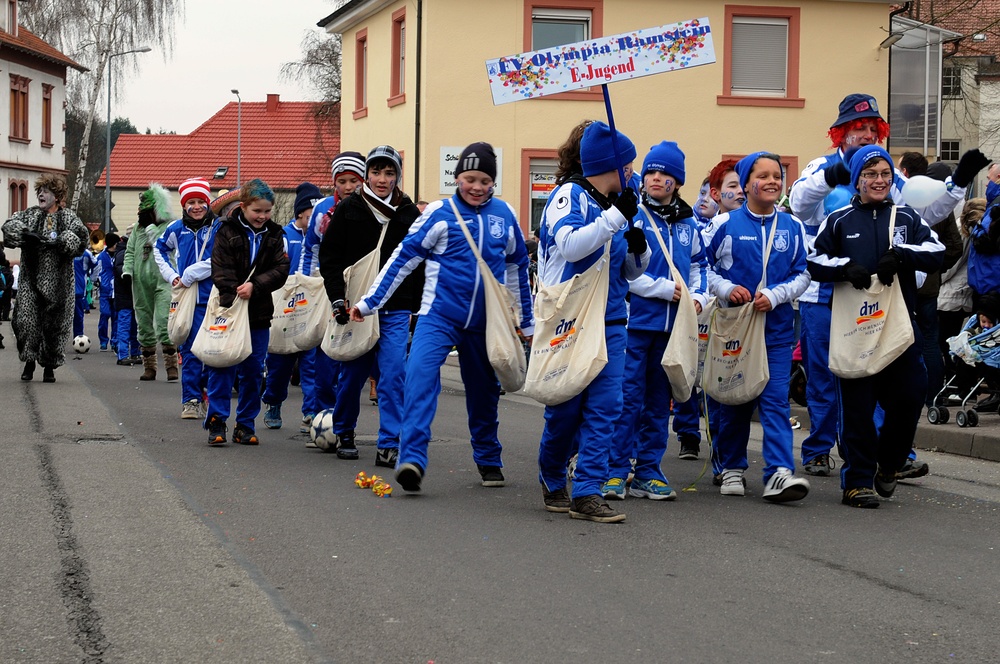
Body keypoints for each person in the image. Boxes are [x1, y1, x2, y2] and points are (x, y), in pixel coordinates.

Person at [789, 93, 985, 478]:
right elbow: (798, 204)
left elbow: (923, 215)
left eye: (870, 128)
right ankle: (818, 449)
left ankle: (883, 453)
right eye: (856, 128)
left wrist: (958, 184)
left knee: (876, 371)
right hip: (826, 291)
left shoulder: (886, 174)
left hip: (875, 293)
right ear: (841, 133)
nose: (864, 134)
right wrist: (835, 174)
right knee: (827, 376)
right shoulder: (821, 166)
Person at [349, 142, 534, 492]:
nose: (476, 187)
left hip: (485, 322)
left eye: (484, 180)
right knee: (417, 377)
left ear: (493, 181)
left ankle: (488, 457)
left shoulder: (504, 215)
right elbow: (403, 259)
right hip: (438, 316)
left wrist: (525, 323)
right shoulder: (439, 212)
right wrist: (369, 302)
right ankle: (412, 460)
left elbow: (517, 271)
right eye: (469, 179)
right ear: (457, 178)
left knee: (483, 393)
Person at [807, 145, 945, 508]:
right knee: (858, 409)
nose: (879, 180)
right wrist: (843, 268)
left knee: (911, 396)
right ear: (857, 180)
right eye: (870, 174)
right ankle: (857, 481)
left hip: (898, 328)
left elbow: (938, 253)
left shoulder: (907, 217)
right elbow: (814, 260)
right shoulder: (838, 219)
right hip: (855, 329)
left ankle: (890, 464)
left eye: (885, 173)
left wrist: (902, 255)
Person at [535, 121, 650, 523]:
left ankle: (587, 490)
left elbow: (630, 274)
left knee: (607, 408)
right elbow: (570, 246)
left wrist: (639, 252)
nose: (633, 173)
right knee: (566, 411)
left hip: (611, 319)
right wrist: (616, 218)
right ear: (610, 165)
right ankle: (551, 474)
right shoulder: (570, 196)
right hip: (569, 319)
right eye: (629, 166)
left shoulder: (619, 204)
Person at [602, 140, 708, 502]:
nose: (656, 178)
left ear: (677, 181)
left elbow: (699, 267)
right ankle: (615, 471)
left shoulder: (689, 222)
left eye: (665, 173)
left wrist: (697, 297)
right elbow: (624, 272)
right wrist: (664, 289)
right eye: (651, 171)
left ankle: (648, 469)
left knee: (660, 401)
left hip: (672, 330)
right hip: (635, 325)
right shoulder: (630, 214)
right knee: (626, 400)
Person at [705, 152, 811, 502]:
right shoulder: (724, 225)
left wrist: (777, 295)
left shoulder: (793, 227)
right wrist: (725, 288)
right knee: (736, 398)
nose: (771, 181)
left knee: (775, 400)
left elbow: (803, 274)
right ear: (747, 183)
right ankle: (732, 467)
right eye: (762, 176)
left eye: (777, 176)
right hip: (735, 329)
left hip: (777, 331)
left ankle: (779, 472)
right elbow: (700, 271)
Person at [319, 147, 424, 466]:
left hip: (396, 306)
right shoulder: (350, 209)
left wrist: (416, 306)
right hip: (357, 307)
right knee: (352, 374)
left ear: (398, 176)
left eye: (389, 173)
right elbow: (331, 258)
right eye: (376, 172)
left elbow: (420, 260)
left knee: (393, 373)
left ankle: (389, 442)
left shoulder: (408, 213)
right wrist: (338, 298)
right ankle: (345, 431)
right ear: (367, 175)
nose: (382, 179)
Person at [204, 179, 290, 446]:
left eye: (267, 211)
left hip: (259, 312)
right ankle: (217, 420)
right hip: (229, 309)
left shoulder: (276, 234)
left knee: (253, 371)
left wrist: (256, 285)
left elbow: (281, 270)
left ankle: (245, 424)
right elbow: (220, 268)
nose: (262, 217)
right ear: (243, 207)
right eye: (257, 211)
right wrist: (233, 297)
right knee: (223, 366)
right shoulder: (226, 231)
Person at [294, 152, 365, 439]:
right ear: (334, 183)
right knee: (324, 358)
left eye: (354, 181)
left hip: (362, 290)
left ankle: (344, 419)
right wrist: (303, 286)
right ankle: (323, 415)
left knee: (354, 358)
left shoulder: (372, 208)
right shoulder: (323, 211)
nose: (348, 187)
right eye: (342, 181)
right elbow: (310, 250)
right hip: (329, 288)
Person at [2, 173, 90, 382]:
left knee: (55, 326)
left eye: (46, 191)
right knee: (25, 322)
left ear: (57, 196)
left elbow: (81, 239)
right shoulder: (30, 215)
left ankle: (49, 366)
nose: (41, 194)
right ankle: (29, 362)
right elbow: (8, 227)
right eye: (39, 191)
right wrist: (24, 234)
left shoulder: (68, 218)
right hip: (30, 281)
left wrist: (63, 241)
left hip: (59, 284)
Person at [261, 182, 324, 430]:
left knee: (312, 365)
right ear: (300, 215)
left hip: (312, 311)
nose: (318, 221)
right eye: (311, 217)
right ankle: (273, 401)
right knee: (279, 366)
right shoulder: (284, 237)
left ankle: (311, 412)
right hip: (286, 312)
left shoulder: (322, 238)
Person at [155, 177, 218, 418]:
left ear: (207, 202)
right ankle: (190, 400)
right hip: (188, 301)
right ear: (183, 205)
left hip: (214, 297)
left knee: (211, 351)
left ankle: (205, 390)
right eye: (190, 202)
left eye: (200, 201)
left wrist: (192, 273)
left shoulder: (218, 227)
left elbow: (221, 259)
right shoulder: (175, 229)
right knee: (190, 351)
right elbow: (160, 251)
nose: (196, 207)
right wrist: (172, 276)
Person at [915, 162, 964, 407]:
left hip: (904, 283)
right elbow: (955, 247)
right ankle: (933, 395)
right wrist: (936, 268)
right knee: (930, 341)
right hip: (930, 287)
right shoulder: (942, 208)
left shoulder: (908, 202)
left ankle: (906, 392)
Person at [125, 184, 176, 382]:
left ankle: (171, 366)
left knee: (164, 320)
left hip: (163, 280)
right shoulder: (137, 230)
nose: (143, 213)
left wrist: (153, 230)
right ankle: (150, 367)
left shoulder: (169, 226)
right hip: (140, 280)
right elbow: (130, 251)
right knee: (144, 322)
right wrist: (127, 271)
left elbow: (168, 247)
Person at [113, 233, 140, 366]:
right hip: (126, 296)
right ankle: (123, 354)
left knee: (135, 327)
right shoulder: (123, 253)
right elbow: (122, 273)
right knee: (125, 326)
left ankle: (134, 353)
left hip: (131, 295)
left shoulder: (123, 252)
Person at [94, 233, 120, 351]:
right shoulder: (101, 257)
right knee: (105, 315)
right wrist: (96, 281)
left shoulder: (119, 255)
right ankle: (103, 340)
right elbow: (96, 270)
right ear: (113, 243)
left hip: (116, 291)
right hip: (105, 291)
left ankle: (114, 341)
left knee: (116, 317)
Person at [73, 247, 97, 338]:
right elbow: (96, 264)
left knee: (78, 316)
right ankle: (77, 337)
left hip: (77, 290)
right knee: (77, 316)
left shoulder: (86, 252)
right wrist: (93, 278)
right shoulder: (86, 252)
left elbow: (96, 264)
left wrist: (92, 278)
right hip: (75, 289)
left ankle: (78, 338)